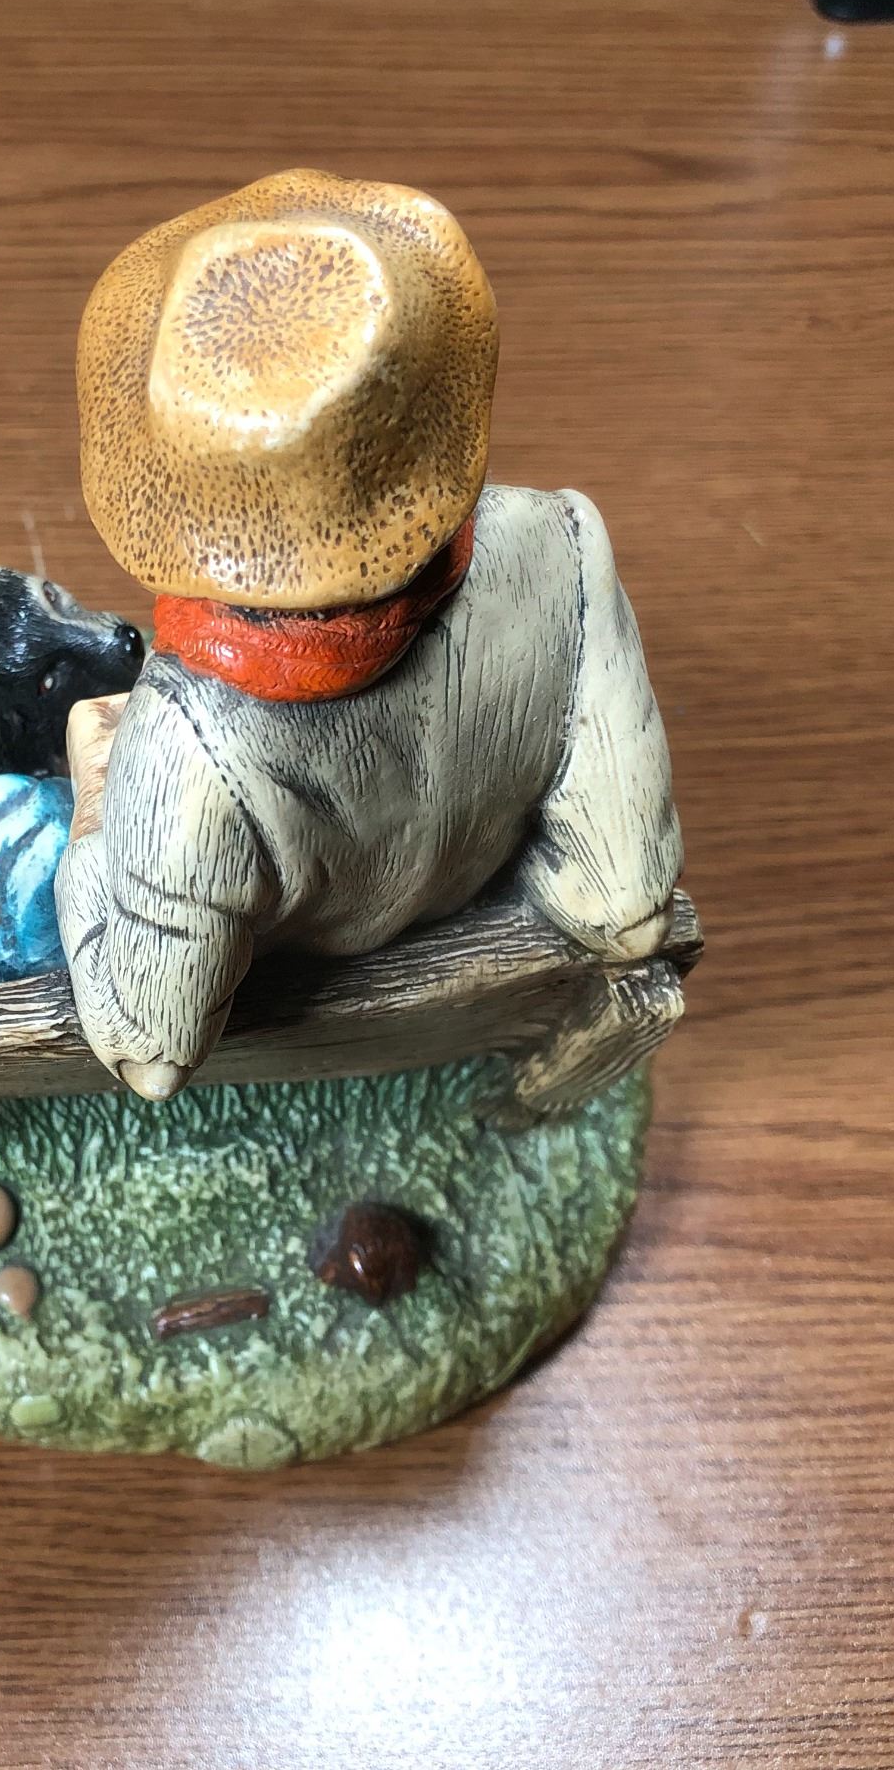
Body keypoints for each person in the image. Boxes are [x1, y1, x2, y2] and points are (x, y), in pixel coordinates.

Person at [55, 170, 682, 1099]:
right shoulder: (563, 545)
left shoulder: (182, 753)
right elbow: (626, 903)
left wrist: (96, 829)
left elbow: (152, 1045)